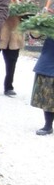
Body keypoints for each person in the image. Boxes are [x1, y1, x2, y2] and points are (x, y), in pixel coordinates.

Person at [0, 0, 31, 96]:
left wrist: (20, 10)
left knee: (11, 62)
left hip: (15, 32)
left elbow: (27, 13)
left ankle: (8, 86)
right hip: (0, 31)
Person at [31, 8, 54, 136]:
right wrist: (39, 20)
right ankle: (48, 125)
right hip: (50, 59)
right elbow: (35, 35)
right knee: (47, 94)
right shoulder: (50, 17)